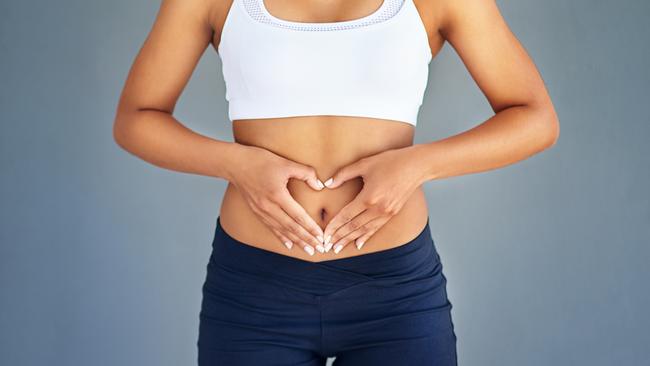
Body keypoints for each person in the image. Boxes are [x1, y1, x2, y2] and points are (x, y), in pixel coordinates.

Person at [113, 0, 559, 364]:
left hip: (394, 293)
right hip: (255, 293)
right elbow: (136, 118)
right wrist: (237, 165)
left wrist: (417, 165)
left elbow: (535, 118)